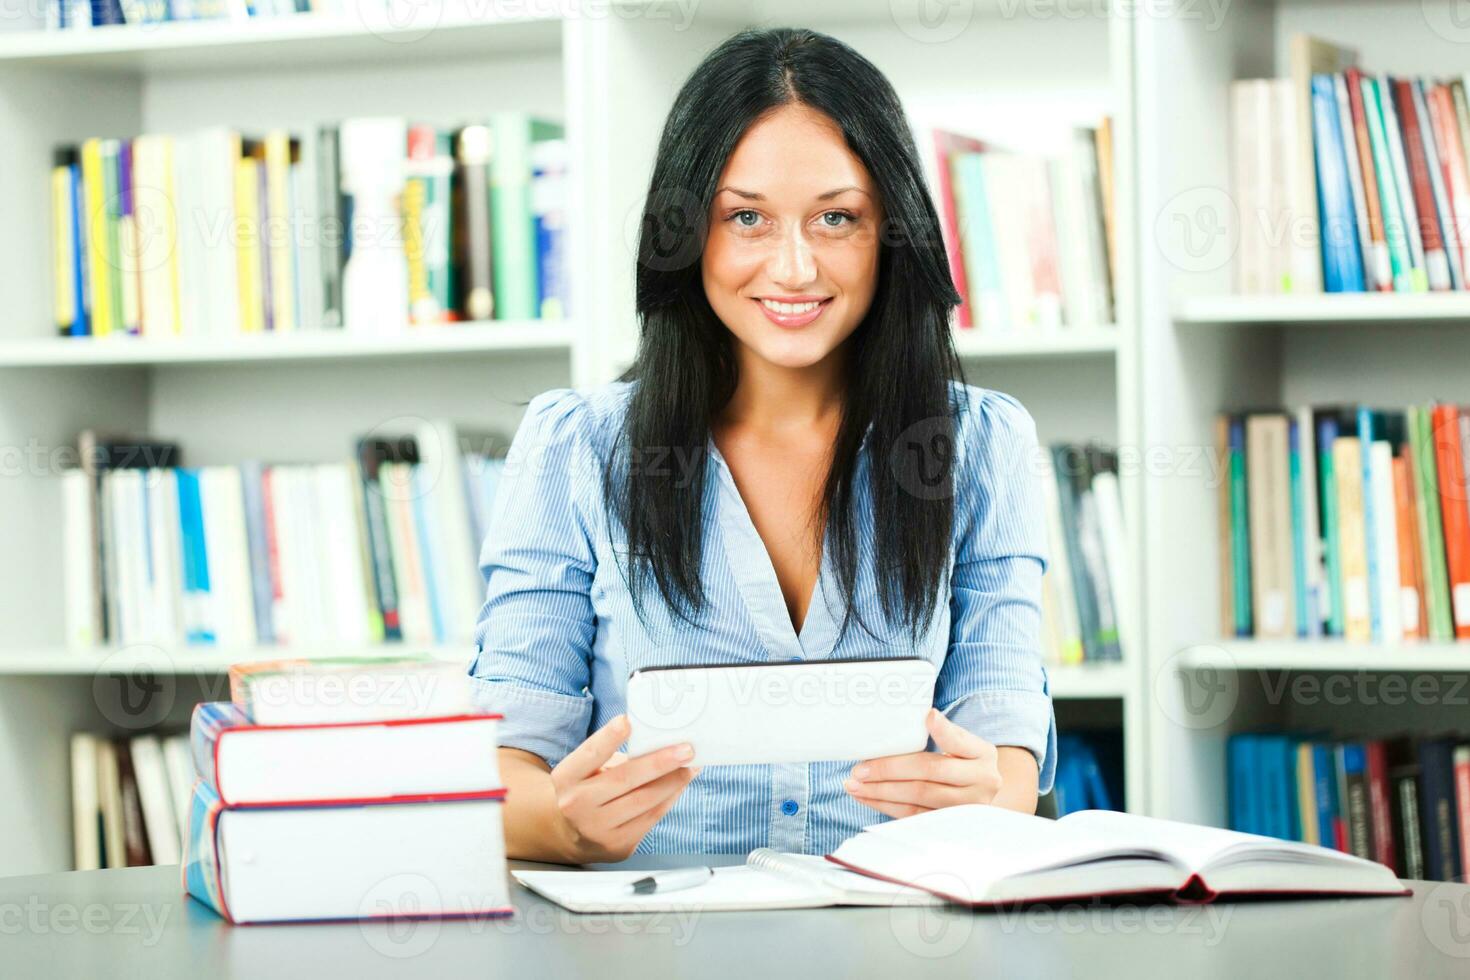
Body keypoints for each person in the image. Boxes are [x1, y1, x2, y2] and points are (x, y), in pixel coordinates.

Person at [470, 26, 1055, 863]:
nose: (793, 267)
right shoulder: (576, 448)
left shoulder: (979, 446)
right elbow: (503, 770)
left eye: (837, 218)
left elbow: (1008, 761)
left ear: (894, 229)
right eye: (745, 217)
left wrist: (987, 796)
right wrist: (562, 821)